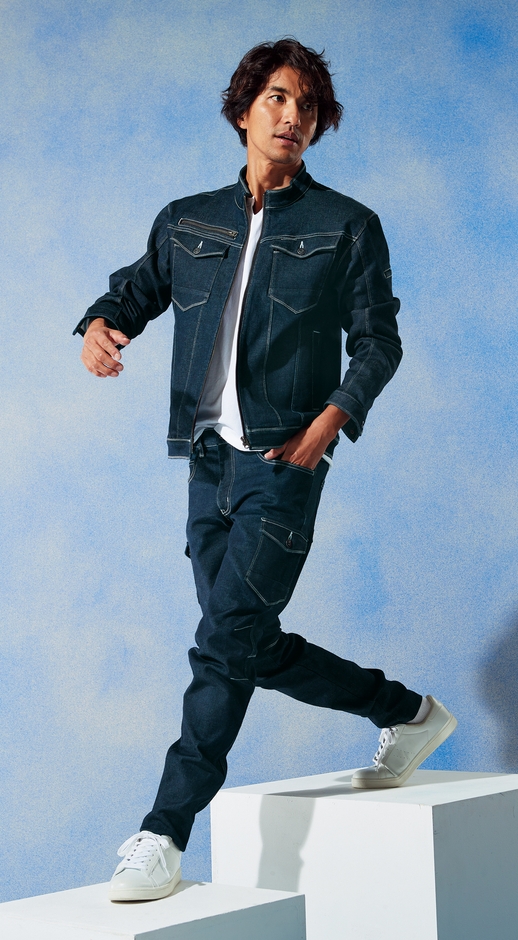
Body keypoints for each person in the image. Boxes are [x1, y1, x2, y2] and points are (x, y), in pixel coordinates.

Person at [76, 39, 457, 903]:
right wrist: (99, 325)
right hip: (206, 463)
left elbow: (379, 342)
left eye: (308, 106)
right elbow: (135, 290)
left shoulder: (346, 225)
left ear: (318, 126)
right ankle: (406, 712)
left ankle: (163, 834)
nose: (292, 116)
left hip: (285, 464)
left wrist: (328, 424)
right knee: (243, 642)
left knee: (222, 647)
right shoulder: (189, 220)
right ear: (245, 109)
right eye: (278, 98)